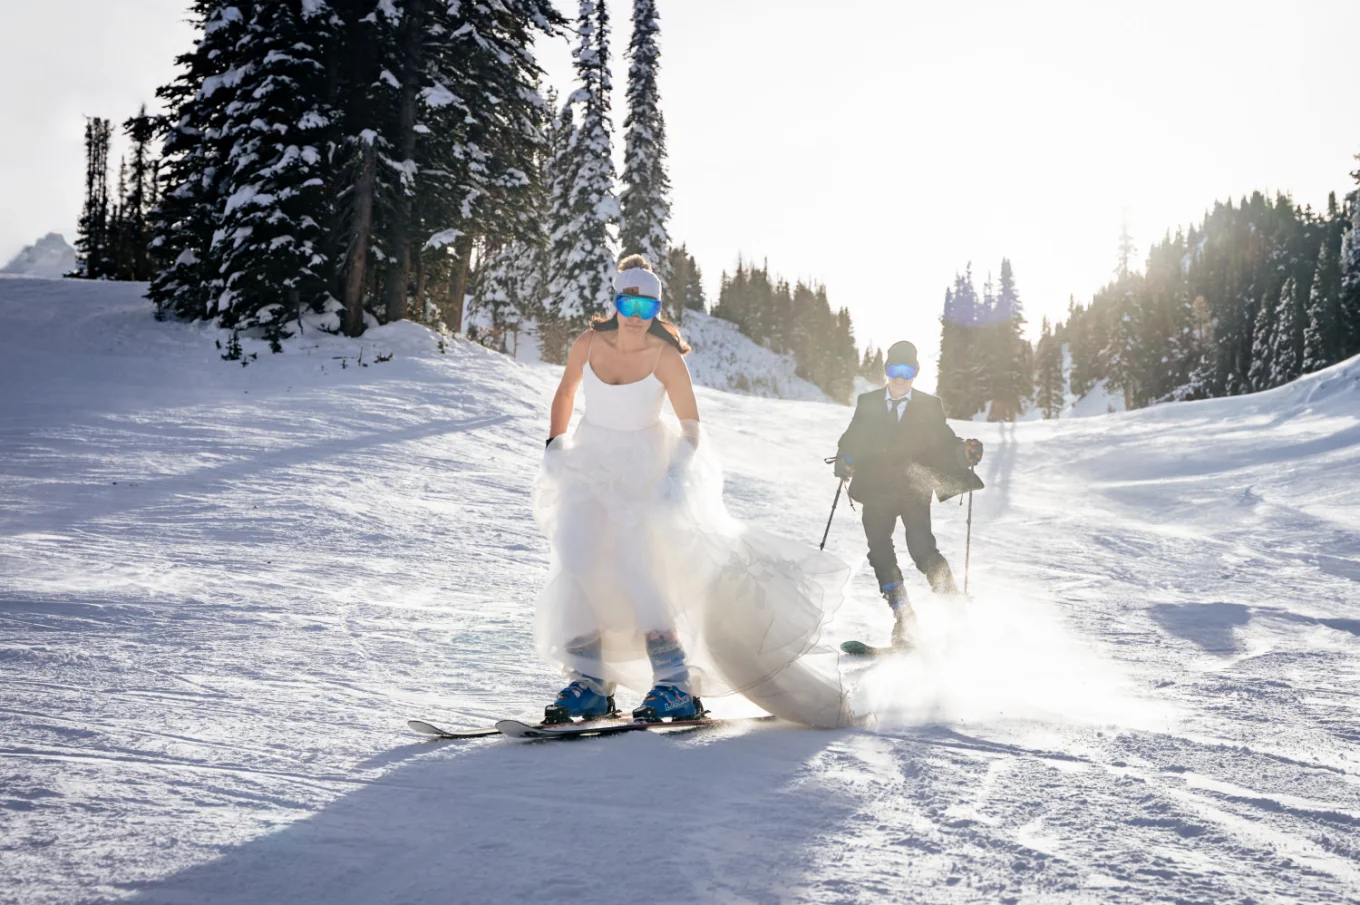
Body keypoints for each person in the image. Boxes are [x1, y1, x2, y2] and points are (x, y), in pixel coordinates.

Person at [534, 255, 853, 728]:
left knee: (637, 568)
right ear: (616, 302)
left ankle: (675, 681)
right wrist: (554, 445)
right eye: (629, 303)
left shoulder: (664, 356)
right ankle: (590, 681)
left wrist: (675, 474)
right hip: (589, 462)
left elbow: (690, 427)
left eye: (647, 307)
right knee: (580, 559)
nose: (637, 317)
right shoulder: (588, 343)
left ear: (658, 309)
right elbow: (565, 394)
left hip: (645, 466)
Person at [834, 340, 984, 648]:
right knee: (879, 550)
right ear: (886, 371)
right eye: (893, 370)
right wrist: (845, 457)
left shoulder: (929, 406)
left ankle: (951, 602)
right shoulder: (868, 402)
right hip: (876, 488)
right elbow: (852, 438)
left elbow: (945, 440)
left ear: (916, 374)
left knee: (921, 548)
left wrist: (962, 452)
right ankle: (904, 619)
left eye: (907, 371)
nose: (900, 379)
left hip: (914, 488)